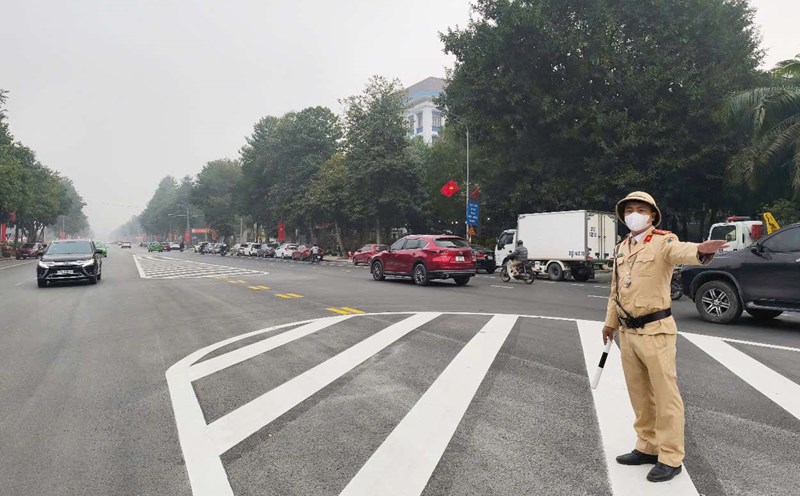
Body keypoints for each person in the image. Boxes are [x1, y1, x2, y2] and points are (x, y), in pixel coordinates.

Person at [602, 191, 726, 483]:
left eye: (640, 209)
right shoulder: (622, 247)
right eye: (629, 210)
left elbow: (680, 251)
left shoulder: (663, 241)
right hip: (628, 333)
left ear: (652, 215)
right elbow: (616, 289)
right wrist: (610, 323)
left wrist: (701, 251)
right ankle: (647, 446)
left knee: (665, 396)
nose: (634, 214)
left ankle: (670, 457)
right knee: (639, 394)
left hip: (656, 332)